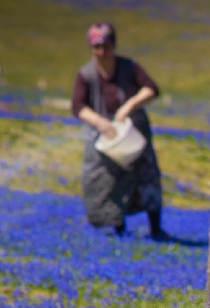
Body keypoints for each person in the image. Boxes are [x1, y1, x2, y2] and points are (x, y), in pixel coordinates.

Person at [71, 21, 169, 240]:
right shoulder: (86, 74)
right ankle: (117, 228)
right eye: (96, 47)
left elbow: (151, 89)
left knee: (147, 175)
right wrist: (99, 122)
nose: (101, 52)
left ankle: (155, 228)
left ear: (113, 44)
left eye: (105, 46)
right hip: (104, 136)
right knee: (106, 180)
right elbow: (78, 106)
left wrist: (128, 107)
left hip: (132, 131)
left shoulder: (129, 66)